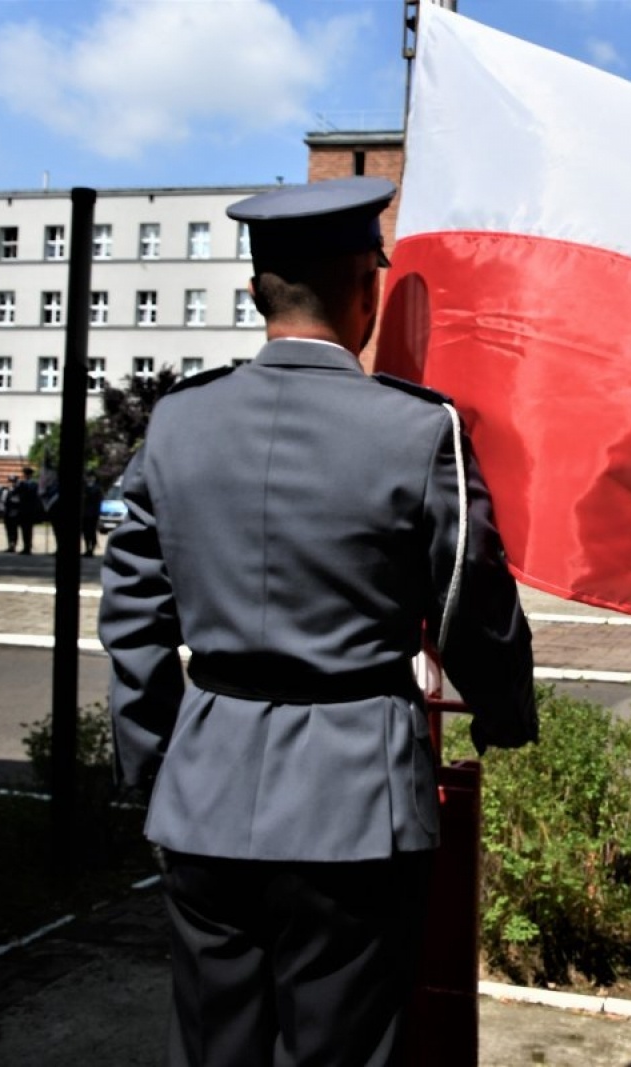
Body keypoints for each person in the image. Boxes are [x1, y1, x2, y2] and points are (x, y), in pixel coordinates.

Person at [99, 176, 539, 1067]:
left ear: (258, 290)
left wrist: (155, 771)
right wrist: (503, 712)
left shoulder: (178, 424)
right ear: (365, 288)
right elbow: (468, 599)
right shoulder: (420, 431)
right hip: (356, 804)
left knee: (213, 1047)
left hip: (205, 796)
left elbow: (135, 620)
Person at [16, 467, 43, 555]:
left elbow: (34, 494)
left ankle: (28, 546)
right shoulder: (21, 483)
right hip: (23, 509)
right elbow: (17, 492)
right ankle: (25, 546)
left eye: (26, 474)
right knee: (24, 529)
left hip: (30, 509)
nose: (25, 475)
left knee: (29, 528)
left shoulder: (34, 484)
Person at [81, 473, 101, 557]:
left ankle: (91, 550)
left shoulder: (96, 488)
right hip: (85, 514)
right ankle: (87, 549)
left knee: (92, 532)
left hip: (93, 514)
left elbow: (97, 502)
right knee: (86, 533)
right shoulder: (85, 488)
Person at [3, 474, 22, 552]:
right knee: (8, 529)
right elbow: (3, 501)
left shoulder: (19, 491)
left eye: (13, 481)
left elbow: (18, 501)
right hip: (7, 512)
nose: (12, 483)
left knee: (14, 530)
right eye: (11, 481)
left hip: (15, 512)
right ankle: (10, 544)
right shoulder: (6, 490)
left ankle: (13, 545)